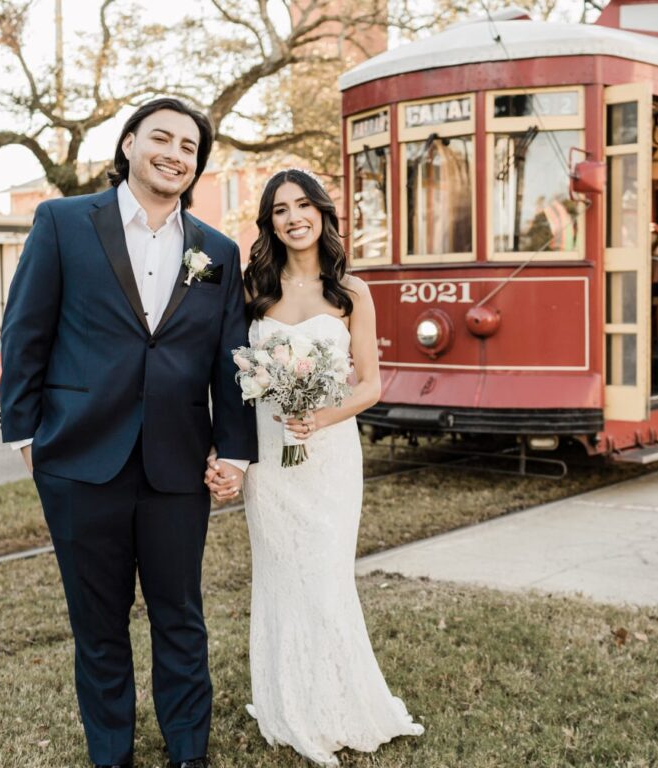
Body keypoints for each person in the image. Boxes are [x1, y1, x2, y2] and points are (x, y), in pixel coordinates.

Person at [0, 98, 257, 767]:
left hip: (177, 468)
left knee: (180, 618)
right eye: (162, 139)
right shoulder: (61, 223)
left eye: (189, 148)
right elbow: (28, 332)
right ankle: (110, 755)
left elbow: (231, 363)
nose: (175, 154)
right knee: (99, 626)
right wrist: (26, 437)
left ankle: (187, 754)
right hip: (79, 462)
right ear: (130, 144)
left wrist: (234, 452)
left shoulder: (218, 252)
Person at [204, 168, 424, 765]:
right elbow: (230, 373)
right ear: (269, 223)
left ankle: (339, 704)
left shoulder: (351, 291)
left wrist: (321, 419)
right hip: (271, 458)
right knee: (279, 576)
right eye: (279, 209)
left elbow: (371, 384)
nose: (292, 216)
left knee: (325, 575)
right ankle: (285, 704)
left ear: (322, 213)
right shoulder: (254, 288)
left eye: (302, 204)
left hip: (327, 456)